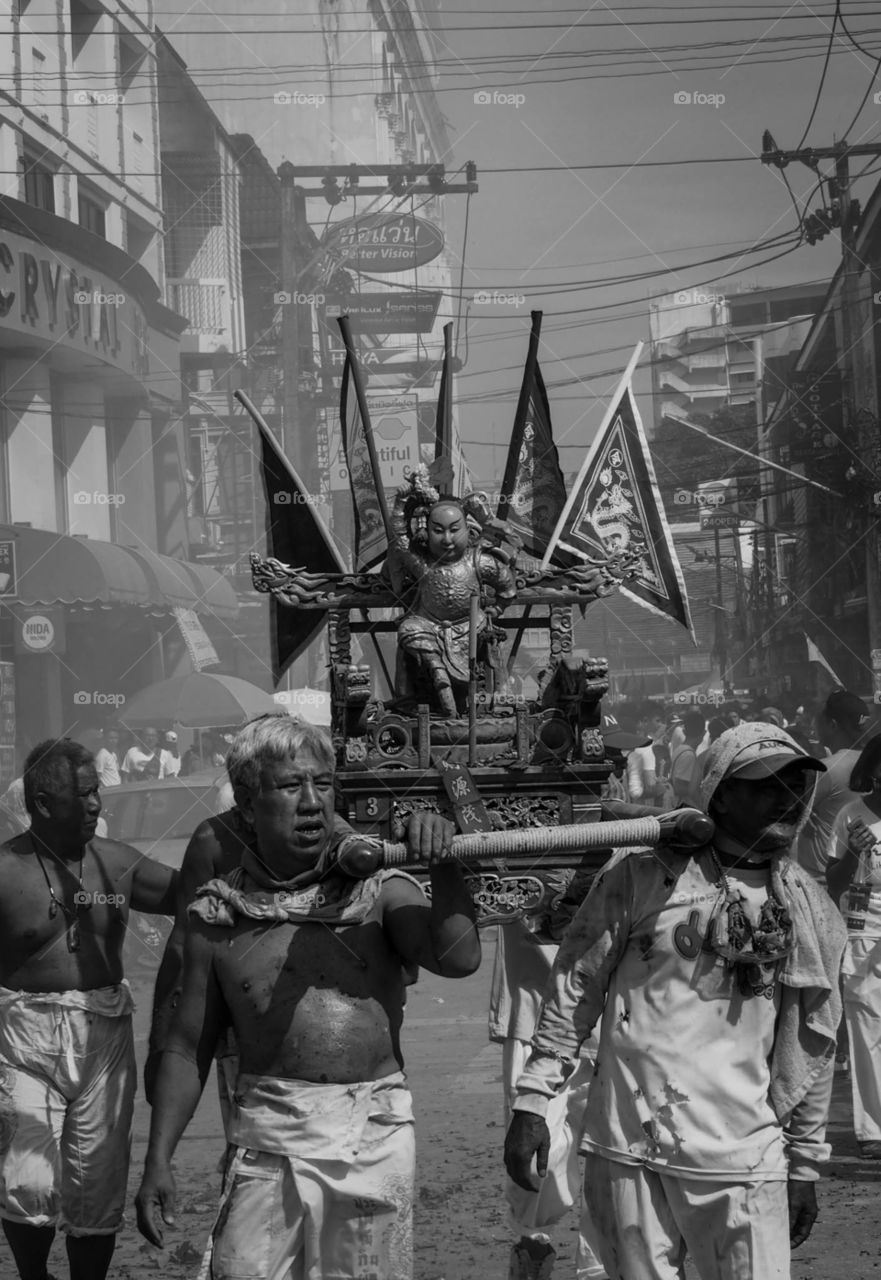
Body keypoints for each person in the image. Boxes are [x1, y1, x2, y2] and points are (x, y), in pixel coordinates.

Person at [135, 717, 481, 1280]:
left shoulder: (379, 895)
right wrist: (157, 1159)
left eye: (323, 784)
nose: (313, 803)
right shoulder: (221, 916)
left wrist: (445, 864)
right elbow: (185, 1045)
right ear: (247, 804)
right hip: (267, 1138)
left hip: (373, 1139)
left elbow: (461, 958)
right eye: (292, 786)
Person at [504, 721, 846, 1280]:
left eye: (794, 786)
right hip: (630, 1148)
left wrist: (804, 1164)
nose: (784, 798)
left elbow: (816, 1042)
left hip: (746, 1157)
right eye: (764, 785)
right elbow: (575, 987)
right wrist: (533, 1101)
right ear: (720, 794)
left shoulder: (809, 912)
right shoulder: (644, 875)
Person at [0, 738, 177, 1280]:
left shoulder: (117, 864)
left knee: (96, 1182)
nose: (97, 804)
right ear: (43, 804)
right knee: (26, 1179)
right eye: (83, 794)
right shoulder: (5, 871)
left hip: (105, 1036)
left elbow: (194, 893)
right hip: (22, 1036)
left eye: (97, 790)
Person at [826, 733, 881, 1158]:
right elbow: (834, 883)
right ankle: (873, 1131)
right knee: (866, 1033)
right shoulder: (851, 816)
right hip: (864, 934)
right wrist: (853, 855)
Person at [795, 688, 872, 887]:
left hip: (822, 883)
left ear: (832, 724)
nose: (814, 725)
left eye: (818, 719)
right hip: (861, 877)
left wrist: (802, 813)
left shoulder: (827, 769)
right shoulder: (872, 763)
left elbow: (789, 811)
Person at [669, 708, 704, 807]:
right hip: (685, 806)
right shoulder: (688, 755)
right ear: (703, 733)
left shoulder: (681, 749)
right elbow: (679, 786)